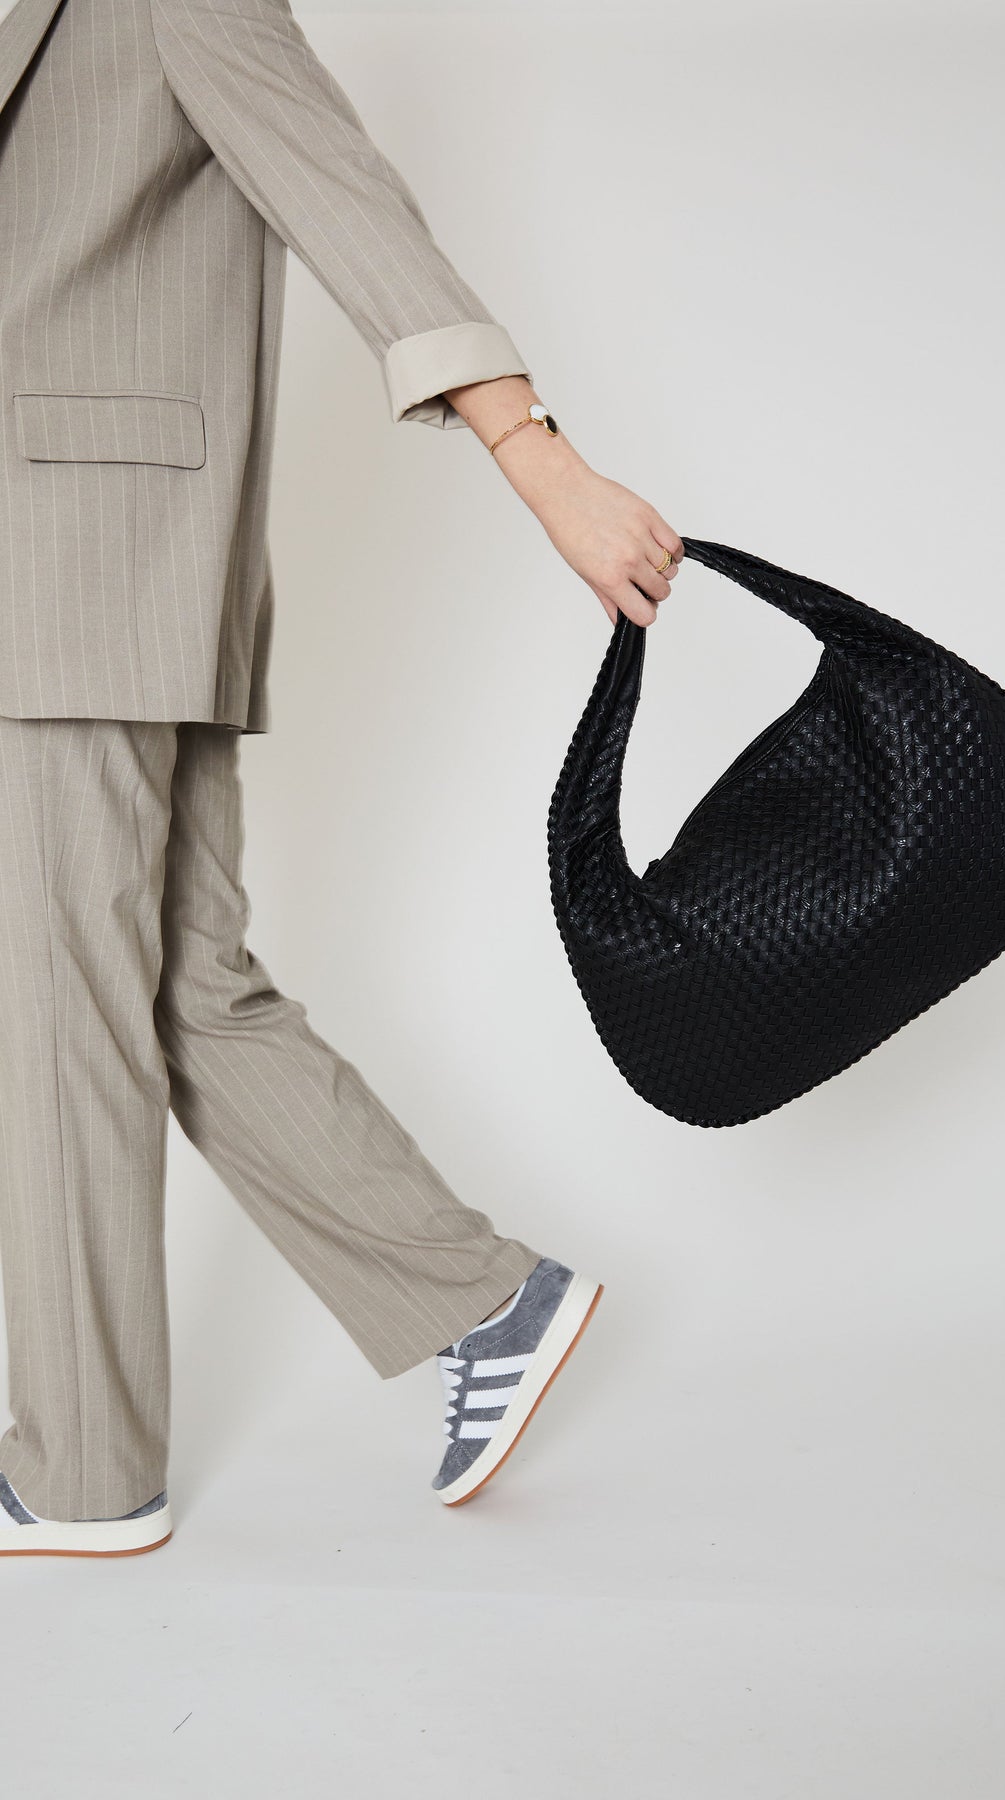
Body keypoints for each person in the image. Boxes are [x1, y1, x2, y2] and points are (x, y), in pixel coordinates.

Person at [0, 0, 682, 1557]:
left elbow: (340, 189)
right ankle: (483, 1302)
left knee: (59, 1007)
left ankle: (84, 1468)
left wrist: (536, 454)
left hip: (76, 560)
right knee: (184, 982)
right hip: (93, 560)